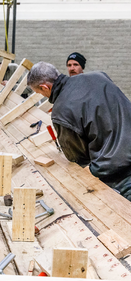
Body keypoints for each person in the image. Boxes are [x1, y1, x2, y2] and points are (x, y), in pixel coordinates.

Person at [27, 61, 131, 200]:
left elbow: (78, 159)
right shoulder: (99, 76)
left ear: (45, 87)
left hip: (118, 175)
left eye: (39, 92)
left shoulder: (61, 111)